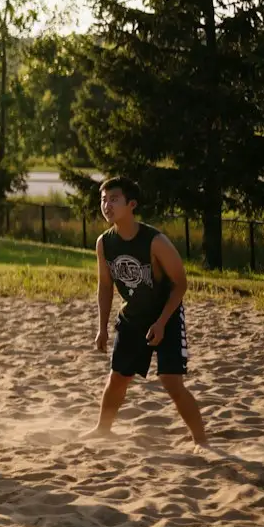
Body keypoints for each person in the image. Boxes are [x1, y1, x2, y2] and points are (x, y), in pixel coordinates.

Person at [89, 176, 208, 447]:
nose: (106, 205)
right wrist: (102, 327)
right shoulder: (104, 243)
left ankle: (202, 441)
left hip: (164, 314)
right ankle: (102, 430)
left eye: (114, 199)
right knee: (118, 377)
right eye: (103, 200)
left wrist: (162, 322)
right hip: (132, 317)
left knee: (170, 381)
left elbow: (180, 284)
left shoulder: (155, 241)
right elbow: (105, 286)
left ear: (131, 204)